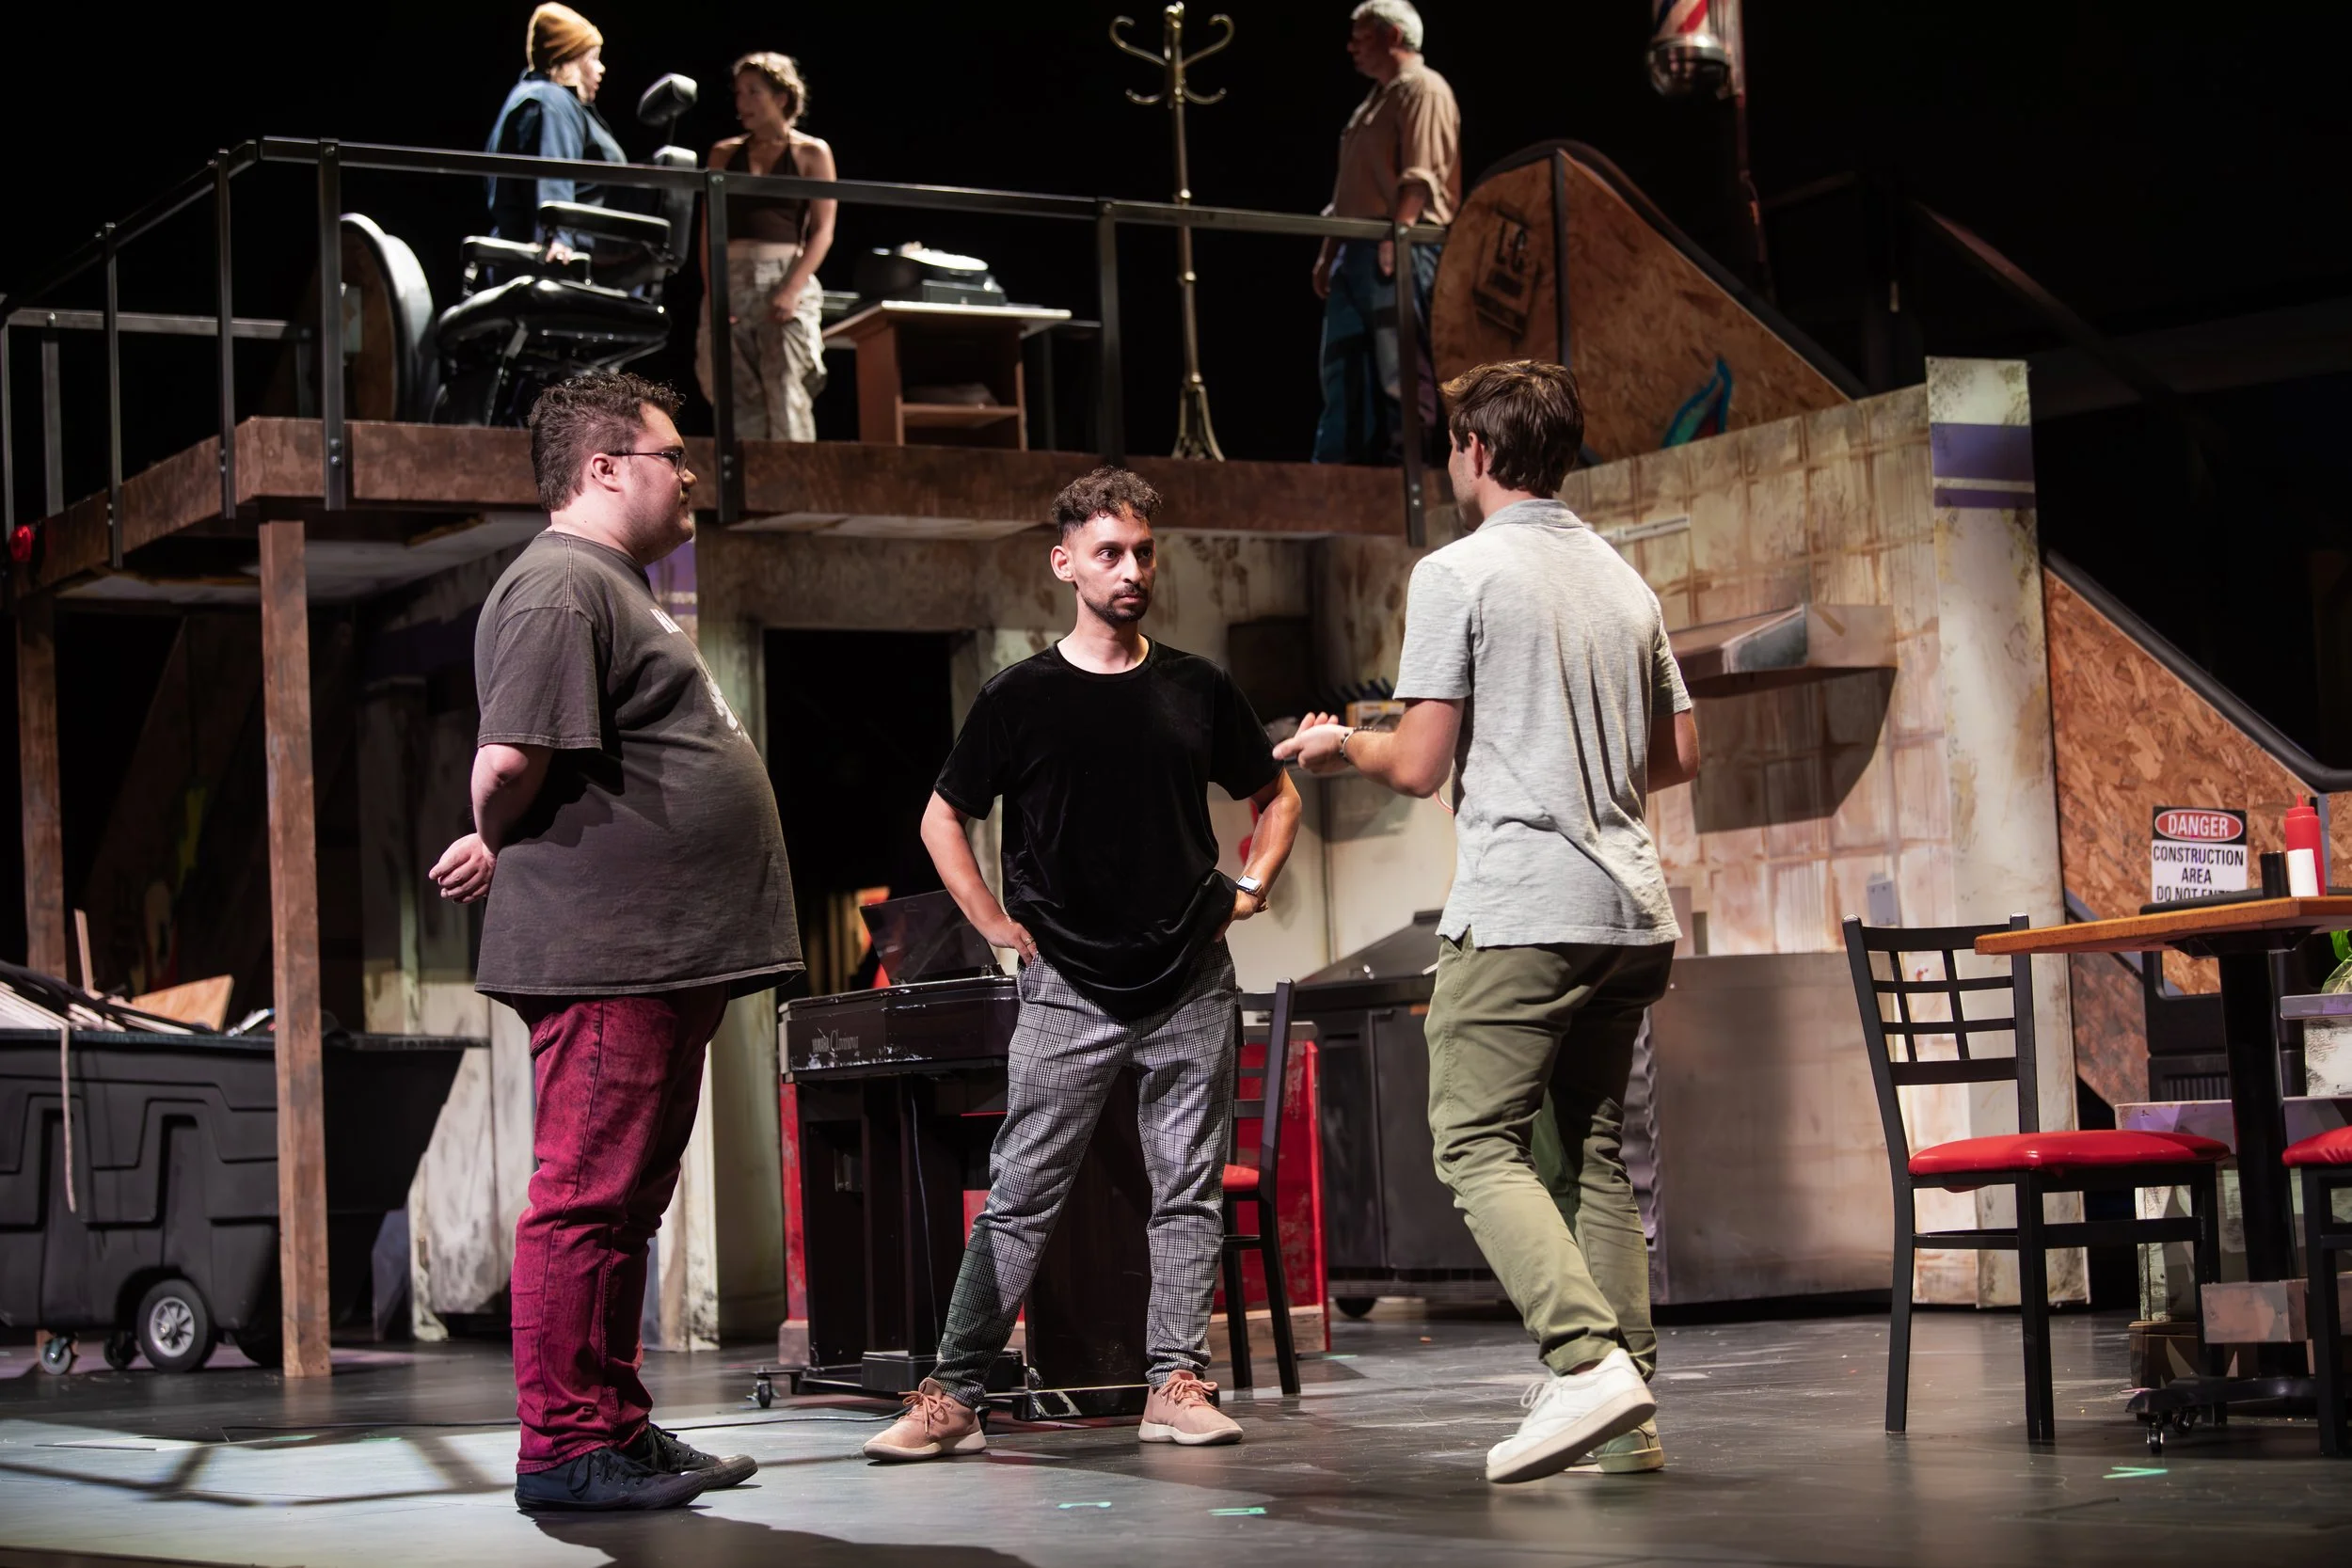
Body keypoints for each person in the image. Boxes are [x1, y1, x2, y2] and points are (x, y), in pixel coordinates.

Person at [1277, 360, 1700, 1484]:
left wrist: (1340, 744)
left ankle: (1585, 1362)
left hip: (1525, 908)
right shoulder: (1621, 581)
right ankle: (1633, 1409)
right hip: (1631, 912)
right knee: (1590, 1151)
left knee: (1472, 1139)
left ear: (1472, 448)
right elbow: (1679, 753)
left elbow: (1417, 763)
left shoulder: (1457, 570)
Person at [862, 467, 1305, 1463]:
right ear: (1065, 563)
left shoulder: (1196, 686)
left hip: (1188, 973)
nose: (1131, 569)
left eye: (1144, 551)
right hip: (1068, 984)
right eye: (1109, 552)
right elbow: (942, 815)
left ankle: (1174, 1380)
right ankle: (954, 1391)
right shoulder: (1020, 696)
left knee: (1184, 1186)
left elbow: (1273, 794)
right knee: (1021, 1188)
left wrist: (1251, 884)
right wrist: (990, 920)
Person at [429, 370, 803, 1513]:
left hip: (655, 954)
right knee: (584, 1197)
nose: (688, 474)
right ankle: (563, 1444)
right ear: (602, 468)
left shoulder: (609, 586)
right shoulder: (555, 585)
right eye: (669, 455)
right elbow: (508, 759)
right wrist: (489, 831)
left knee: (626, 1201)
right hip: (609, 954)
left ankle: (616, 1427)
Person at [1311, 0, 1460, 467]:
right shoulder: (1373, 103)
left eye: (1362, 35)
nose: (1351, 45)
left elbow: (1421, 175)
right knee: (1342, 365)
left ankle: (1406, 473)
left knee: (1400, 363)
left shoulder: (1424, 88)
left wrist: (1397, 239)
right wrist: (1328, 252)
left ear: (1393, 35)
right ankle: (1337, 474)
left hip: (1396, 245)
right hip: (1354, 251)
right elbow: (1347, 189)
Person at [696, 52, 837, 442]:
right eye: (738, 93)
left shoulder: (811, 153)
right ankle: (748, 500)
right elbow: (711, 234)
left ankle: (795, 498)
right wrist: (715, 296)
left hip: (784, 275)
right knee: (736, 394)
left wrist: (791, 289)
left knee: (787, 388)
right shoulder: (724, 153)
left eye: (753, 92)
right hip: (733, 278)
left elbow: (823, 230)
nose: (742, 103)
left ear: (781, 97)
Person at [485, 4, 628, 255]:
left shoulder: (536, 98)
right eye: (593, 58)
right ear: (569, 59)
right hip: (565, 262)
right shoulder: (550, 102)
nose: (601, 68)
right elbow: (552, 170)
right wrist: (557, 240)